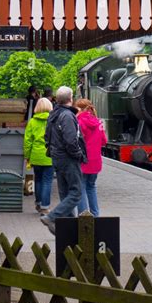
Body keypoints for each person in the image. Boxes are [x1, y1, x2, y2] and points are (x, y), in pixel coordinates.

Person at [41, 86, 87, 235]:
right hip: (68, 158)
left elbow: (46, 137)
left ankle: (69, 230)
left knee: (66, 194)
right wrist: (79, 154)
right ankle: (51, 217)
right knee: (76, 193)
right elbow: (70, 140)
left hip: (56, 157)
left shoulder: (53, 114)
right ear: (71, 98)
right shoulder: (67, 116)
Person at [75, 99, 107, 217]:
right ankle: (95, 214)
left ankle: (84, 216)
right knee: (91, 186)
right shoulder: (99, 122)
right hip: (95, 161)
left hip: (82, 160)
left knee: (81, 187)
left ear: (80, 109)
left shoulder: (78, 122)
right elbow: (104, 141)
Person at [23, 97, 54, 215]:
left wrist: (27, 156)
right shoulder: (53, 120)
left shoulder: (32, 121)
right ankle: (45, 208)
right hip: (49, 155)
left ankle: (38, 203)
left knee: (39, 180)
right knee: (47, 181)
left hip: (36, 155)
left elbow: (27, 141)